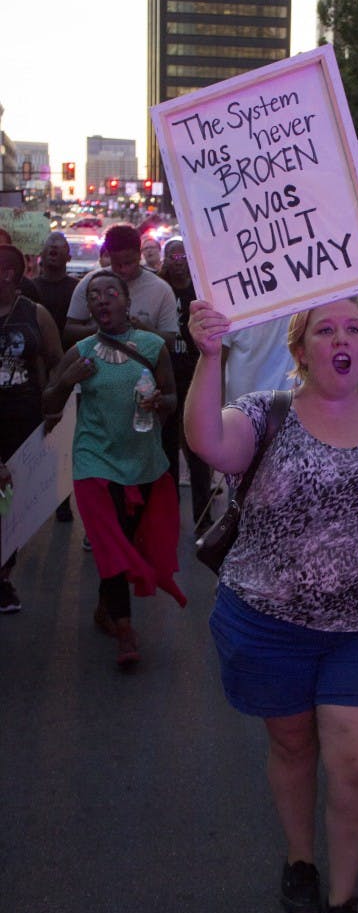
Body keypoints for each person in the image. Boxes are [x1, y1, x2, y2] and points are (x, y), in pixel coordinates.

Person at [184, 296, 358, 913]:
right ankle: (300, 857)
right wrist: (209, 357)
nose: (341, 338)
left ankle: (343, 898)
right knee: (293, 745)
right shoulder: (263, 413)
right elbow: (208, 442)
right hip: (271, 623)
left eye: (353, 328)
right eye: (324, 329)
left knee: (356, 764)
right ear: (300, 350)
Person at [43, 271, 184, 666]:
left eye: (110, 292)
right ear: (89, 308)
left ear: (127, 301)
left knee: (126, 540)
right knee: (111, 544)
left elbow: (172, 397)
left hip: (141, 460)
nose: (102, 299)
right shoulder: (81, 351)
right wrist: (66, 381)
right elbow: (48, 401)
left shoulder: (154, 346)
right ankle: (125, 632)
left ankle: (105, 608)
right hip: (95, 460)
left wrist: (160, 402)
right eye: (94, 295)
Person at [0, 244, 62, 613]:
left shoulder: (35, 315)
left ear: (8, 274)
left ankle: (3, 575)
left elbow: (56, 362)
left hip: (23, 422)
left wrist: (52, 407)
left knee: (10, 504)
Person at [159, 238, 211, 527]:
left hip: (195, 375)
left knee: (197, 447)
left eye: (182, 257)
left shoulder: (201, 291)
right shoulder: (160, 288)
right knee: (167, 446)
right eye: (172, 257)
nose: (177, 262)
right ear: (165, 260)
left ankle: (203, 516)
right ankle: (170, 515)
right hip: (166, 376)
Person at [63, 224, 178, 349]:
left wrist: (141, 329)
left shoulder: (161, 289)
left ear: (139, 255)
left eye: (129, 263)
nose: (123, 270)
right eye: (117, 264)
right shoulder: (91, 282)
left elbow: (170, 341)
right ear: (109, 256)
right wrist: (102, 327)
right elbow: (69, 331)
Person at [33, 232, 80, 522]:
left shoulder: (76, 289)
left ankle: (62, 500)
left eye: (60, 246)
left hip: (69, 370)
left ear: (68, 257)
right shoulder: (30, 288)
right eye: (49, 245)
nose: (53, 249)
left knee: (64, 438)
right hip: (35, 372)